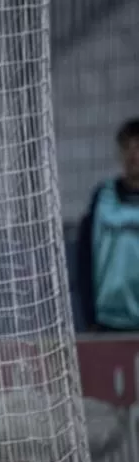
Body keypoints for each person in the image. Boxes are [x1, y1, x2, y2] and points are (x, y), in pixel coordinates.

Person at [77, 118, 139, 332]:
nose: (134, 155)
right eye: (127, 147)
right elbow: (85, 259)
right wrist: (89, 315)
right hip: (108, 322)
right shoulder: (102, 198)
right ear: (120, 153)